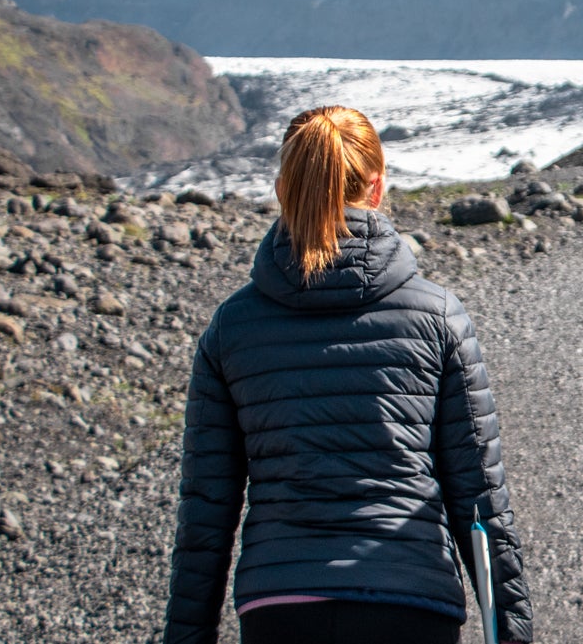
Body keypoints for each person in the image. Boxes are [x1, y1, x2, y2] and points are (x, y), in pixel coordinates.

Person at [163, 106, 533, 644]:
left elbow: (207, 511)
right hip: (411, 600)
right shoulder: (438, 316)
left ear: (282, 190)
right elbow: (479, 498)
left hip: (279, 607)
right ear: (378, 187)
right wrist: (513, 634)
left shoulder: (233, 328)